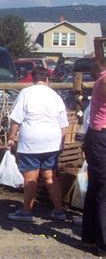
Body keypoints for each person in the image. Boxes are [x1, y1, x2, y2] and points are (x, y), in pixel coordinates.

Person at [7, 66, 69, 222]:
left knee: (30, 177)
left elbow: (16, 119)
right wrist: (59, 143)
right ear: (47, 79)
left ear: (32, 79)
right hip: (52, 140)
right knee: (50, 175)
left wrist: (11, 137)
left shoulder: (26, 93)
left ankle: (26, 211)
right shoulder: (55, 96)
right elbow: (64, 125)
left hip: (31, 139)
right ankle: (58, 210)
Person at [82, 59, 106, 256]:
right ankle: (102, 244)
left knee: (97, 187)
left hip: (97, 137)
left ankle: (89, 237)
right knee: (103, 190)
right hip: (101, 137)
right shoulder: (104, 80)